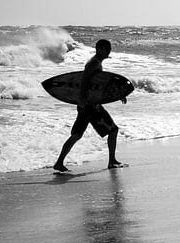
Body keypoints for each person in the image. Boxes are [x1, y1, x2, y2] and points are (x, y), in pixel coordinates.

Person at [53, 39, 126, 173]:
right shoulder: (93, 63)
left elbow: (99, 85)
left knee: (77, 134)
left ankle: (59, 162)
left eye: (109, 48)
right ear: (99, 49)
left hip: (90, 105)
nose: (109, 51)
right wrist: (81, 99)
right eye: (107, 48)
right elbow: (84, 81)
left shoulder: (96, 63)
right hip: (90, 106)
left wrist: (117, 94)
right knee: (112, 130)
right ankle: (111, 161)